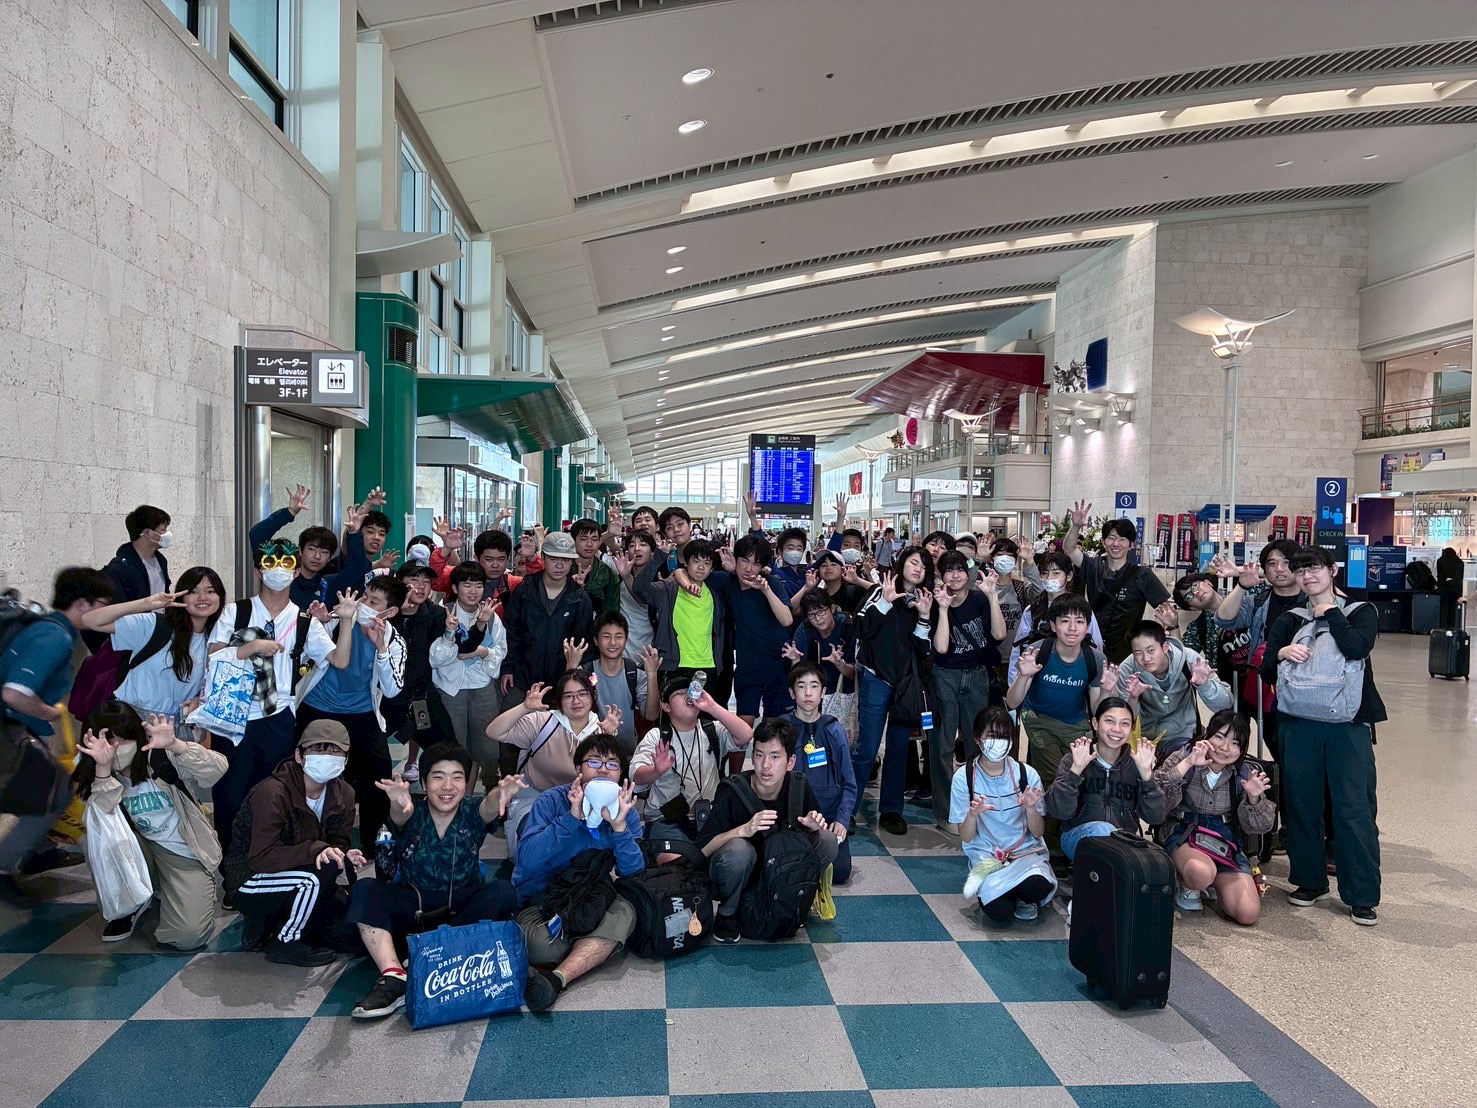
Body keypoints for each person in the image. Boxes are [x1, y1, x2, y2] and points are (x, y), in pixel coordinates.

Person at [345, 742, 522, 1019]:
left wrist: (502, 793)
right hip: (413, 907)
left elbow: (489, 806)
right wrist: (397, 803)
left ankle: (429, 957)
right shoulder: (412, 809)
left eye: (457, 777)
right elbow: (400, 814)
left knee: (503, 892)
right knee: (365, 889)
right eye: (438, 777)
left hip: (461, 910)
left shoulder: (471, 811)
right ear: (424, 782)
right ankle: (394, 975)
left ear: (467, 783)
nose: (447, 786)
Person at [1261, 546, 1384, 926]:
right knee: (1302, 804)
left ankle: (1361, 895)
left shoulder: (1360, 611)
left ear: (1332, 571)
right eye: (1300, 571)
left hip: (1348, 725)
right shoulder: (1289, 618)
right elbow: (1265, 669)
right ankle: (1309, 881)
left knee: (1354, 808)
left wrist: (1330, 612)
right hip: (1298, 723)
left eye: (1313, 568)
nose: (1307, 576)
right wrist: (1282, 652)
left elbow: (1357, 647)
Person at [207, 540, 335, 851]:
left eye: (286, 563)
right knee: (230, 792)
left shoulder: (302, 619)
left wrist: (344, 619)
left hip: (277, 715)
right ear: (258, 571)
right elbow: (213, 657)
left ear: (295, 572)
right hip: (234, 716)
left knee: (274, 792)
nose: (278, 570)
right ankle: (231, 860)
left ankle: (267, 856)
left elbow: (337, 660)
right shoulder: (236, 611)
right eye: (270, 563)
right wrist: (251, 647)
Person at [0, 567, 116, 899]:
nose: (106, 614)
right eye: (102, 605)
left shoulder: (45, 627)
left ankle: (34, 852)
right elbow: (14, 693)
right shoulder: (55, 637)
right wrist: (48, 712)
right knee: (57, 792)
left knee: (43, 788)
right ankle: (6, 866)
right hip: (8, 730)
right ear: (82, 604)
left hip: (14, 730)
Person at [73, 701, 227, 948]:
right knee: (95, 838)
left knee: (187, 937)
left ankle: (163, 889)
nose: (117, 748)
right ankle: (128, 906)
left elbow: (217, 769)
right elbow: (102, 820)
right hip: (136, 850)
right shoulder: (92, 770)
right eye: (109, 741)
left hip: (181, 851)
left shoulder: (160, 756)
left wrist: (176, 745)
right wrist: (103, 771)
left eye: (124, 739)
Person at [512, 733, 644, 1011]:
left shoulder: (624, 810)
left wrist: (619, 828)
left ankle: (557, 978)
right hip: (543, 898)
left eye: (612, 764)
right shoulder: (552, 801)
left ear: (620, 774)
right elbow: (528, 860)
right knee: (543, 948)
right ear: (578, 769)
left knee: (627, 911)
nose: (603, 770)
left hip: (589, 894)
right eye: (594, 762)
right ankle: (584, 950)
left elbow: (633, 871)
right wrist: (571, 818)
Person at [222, 720, 362, 966]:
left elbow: (337, 841)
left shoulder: (344, 793)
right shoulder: (272, 793)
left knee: (351, 937)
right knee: (314, 878)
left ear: (346, 759)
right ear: (299, 755)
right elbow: (260, 858)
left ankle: (275, 923)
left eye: (335, 751)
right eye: (318, 749)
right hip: (251, 878)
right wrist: (317, 850)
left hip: (302, 870)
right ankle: (285, 942)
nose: (327, 757)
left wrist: (343, 854)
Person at [698, 718, 839, 943]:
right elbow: (703, 849)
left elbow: (812, 838)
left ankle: (795, 897)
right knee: (738, 850)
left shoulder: (799, 785)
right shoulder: (733, 789)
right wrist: (742, 830)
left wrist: (813, 827)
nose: (765, 765)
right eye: (759, 755)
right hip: (740, 874)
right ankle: (728, 913)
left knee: (828, 840)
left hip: (777, 872)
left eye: (775, 757)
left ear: (790, 762)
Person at [295, 580, 407, 853]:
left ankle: (373, 845)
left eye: (374, 602)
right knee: (308, 772)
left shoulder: (393, 640)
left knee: (378, 777)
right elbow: (309, 651)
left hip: (362, 712)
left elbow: (392, 689)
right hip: (317, 707)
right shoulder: (338, 618)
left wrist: (381, 649)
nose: (364, 604)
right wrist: (320, 621)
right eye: (365, 597)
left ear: (390, 612)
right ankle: (309, 841)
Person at [1004, 593, 1111, 862]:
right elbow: (1012, 701)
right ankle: (1050, 845)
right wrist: (1024, 675)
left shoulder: (1094, 659)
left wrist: (1109, 690)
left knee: (1080, 780)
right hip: (1039, 720)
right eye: (1065, 621)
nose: (1072, 628)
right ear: (1053, 625)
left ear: (1088, 626)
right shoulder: (1038, 652)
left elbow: (1097, 709)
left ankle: (1073, 836)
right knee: (1054, 778)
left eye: (1079, 621)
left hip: (1077, 725)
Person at [487, 670, 622, 861]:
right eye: (568, 696)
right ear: (560, 700)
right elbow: (493, 732)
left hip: (581, 801)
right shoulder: (542, 722)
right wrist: (524, 707)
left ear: (592, 696)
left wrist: (609, 737)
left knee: (580, 852)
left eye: (582, 694)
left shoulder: (600, 730)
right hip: (535, 796)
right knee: (532, 847)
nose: (576, 701)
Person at [1155, 709, 1276, 923]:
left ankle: (1211, 881)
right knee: (1200, 871)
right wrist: (1187, 764)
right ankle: (1188, 884)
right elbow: (1155, 800)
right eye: (1219, 737)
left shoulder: (1243, 773)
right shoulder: (1185, 755)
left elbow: (1259, 828)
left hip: (1223, 839)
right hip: (1184, 830)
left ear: (1242, 749)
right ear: (1207, 735)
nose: (1225, 747)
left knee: (1247, 913)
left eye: (1235, 743)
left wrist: (1254, 798)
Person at [854, 546, 934, 836]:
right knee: (867, 749)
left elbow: (923, 650)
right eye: (913, 562)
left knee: (899, 749)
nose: (918, 569)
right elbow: (860, 629)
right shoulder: (880, 591)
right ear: (902, 565)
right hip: (876, 680)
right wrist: (885, 603)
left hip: (905, 687)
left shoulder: (923, 601)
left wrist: (924, 617)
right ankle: (847, 809)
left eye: (923, 565)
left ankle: (891, 810)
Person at [950, 707, 1056, 925]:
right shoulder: (964, 778)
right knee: (1000, 913)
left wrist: (1030, 808)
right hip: (987, 857)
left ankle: (1022, 894)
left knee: (1037, 887)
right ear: (978, 739)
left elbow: (1038, 832)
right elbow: (966, 837)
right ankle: (1007, 892)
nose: (998, 742)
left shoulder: (1026, 774)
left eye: (1004, 736)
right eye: (992, 735)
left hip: (1025, 853)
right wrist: (972, 815)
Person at [81, 567, 226, 724]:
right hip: (131, 721)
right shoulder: (153, 625)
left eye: (210, 591)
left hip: (175, 726)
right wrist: (146, 603)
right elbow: (89, 620)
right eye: (193, 592)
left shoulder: (218, 640)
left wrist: (199, 699)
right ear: (181, 596)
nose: (202, 597)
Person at [928, 552, 1006, 830]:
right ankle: (946, 812)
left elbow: (999, 635)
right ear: (941, 574)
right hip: (945, 676)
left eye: (960, 569)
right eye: (949, 570)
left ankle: (977, 806)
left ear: (968, 573)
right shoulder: (936, 601)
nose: (955, 575)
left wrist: (993, 596)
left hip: (976, 676)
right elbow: (940, 648)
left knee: (978, 744)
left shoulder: (979, 599)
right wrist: (943, 609)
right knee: (942, 745)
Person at [630, 676, 753, 842]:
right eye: (679, 693)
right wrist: (656, 771)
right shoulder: (657, 735)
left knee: (738, 851)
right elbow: (636, 776)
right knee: (677, 855)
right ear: (666, 707)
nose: (688, 696)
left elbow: (746, 735)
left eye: (690, 692)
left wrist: (712, 706)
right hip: (665, 819)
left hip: (710, 815)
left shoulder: (711, 729)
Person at [1046, 697, 1167, 862]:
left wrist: (1147, 775)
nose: (1117, 729)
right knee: (1103, 830)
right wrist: (1076, 771)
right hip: (1078, 838)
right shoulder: (1074, 758)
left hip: (1123, 843)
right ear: (1095, 723)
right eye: (1109, 721)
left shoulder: (1136, 763)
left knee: (1157, 860)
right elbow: (1059, 811)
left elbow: (1156, 817)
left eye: (1125, 723)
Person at [1063, 500, 1174, 664]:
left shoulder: (1142, 575)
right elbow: (1069, 549)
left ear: (1131, 545)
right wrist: (1076, 526)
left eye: (1122, 539)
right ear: (1103, 542)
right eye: (1111, 538)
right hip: (1091, 645)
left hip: (1127, 651)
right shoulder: (1093, 567)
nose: (1116, 544)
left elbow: (1166, 610)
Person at [704, 535, 795, 725]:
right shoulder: (726, 581)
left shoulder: (771, 582)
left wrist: (765, 590)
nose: (748, 568)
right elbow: (691, 572)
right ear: (735, 559)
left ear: (762, 567)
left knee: (773, 729)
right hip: (747, 667)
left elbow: (787, 620)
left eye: (755, 564)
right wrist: (730, 571)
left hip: (778, 665)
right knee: (742, 730)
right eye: (744, 561)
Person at [429, 565, 506, 786]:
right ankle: (455, 791)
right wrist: (449, 635)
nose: (473, 591)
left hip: (482, 687)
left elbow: (501, 649)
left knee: (488, 744)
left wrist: (482, 652)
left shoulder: (490, 616)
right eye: (467, 585)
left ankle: (491, 787)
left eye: (478, 585)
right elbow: (435, 659)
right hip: (450, 688)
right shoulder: (442, 613)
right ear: (455, 588)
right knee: (453, 746)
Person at [779, 663, 856, 882]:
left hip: (828, 818)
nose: (808, 693)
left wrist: (842, 820)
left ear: (823, 693)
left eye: (814, 686)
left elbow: (849, 782)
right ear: (792, 693)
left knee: (840, 872)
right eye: (801, 686)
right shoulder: (781, 728)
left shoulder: (834, 729)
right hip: (790, 817)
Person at [498, 531, 594, 704]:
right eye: (554, 558)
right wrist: (508, 667)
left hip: (561, 685)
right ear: (543, 557)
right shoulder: (525, 590)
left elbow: (583, 643)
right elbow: (510, 631)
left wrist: (575, 679)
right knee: (509, 717)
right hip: (522, 679)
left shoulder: (579, 599)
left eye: (566, 560)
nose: (560, 565)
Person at [380, 562, 455, 781]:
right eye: (414, 579)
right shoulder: (384, 614)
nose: (421, 586)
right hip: (384, 697)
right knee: (371, 751)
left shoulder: (437, 615)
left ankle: (441, 793)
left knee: (447, 751)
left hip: (420, 697)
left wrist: (466, 630)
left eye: (426, 581)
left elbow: (461, 646)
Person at [1118, 620, 1233, 759]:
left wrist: (1205, 685)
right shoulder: (1128, 670)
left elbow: (1225, 705)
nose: (1146, 658)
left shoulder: (1190, 659)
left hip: (1187, 735)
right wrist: (1133, 698)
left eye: (1151, 650)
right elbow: (1124, 720)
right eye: (1138, 653)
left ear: (1165, 647)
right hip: (1145, 741)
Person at [624, 538, 726, 679]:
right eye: (696, 561)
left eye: (707, 563)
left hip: (707, 666)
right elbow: (640, 588)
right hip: (674, 666)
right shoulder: (668, 589)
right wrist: (658, 556)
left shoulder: (715, 595)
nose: (701, 567)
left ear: (712, 568)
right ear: (686, 562)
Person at [569, 613, 661, 758]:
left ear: (626, 640)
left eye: (619, 637)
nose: (613, 642)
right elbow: (568, 709)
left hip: (628, 755)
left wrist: (652, 674)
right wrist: (571, 669)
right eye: (606, 636)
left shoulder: (635, 674)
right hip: (590, 755)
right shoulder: (585, 672)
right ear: (596, 640)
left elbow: (651, 715)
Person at [1009, 551, 1102, 684]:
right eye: (1045, 573)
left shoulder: (1080, 608)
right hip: (1039, 677)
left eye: (1056, 573)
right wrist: (1014, 681)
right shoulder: (1033, 610)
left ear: (1069, 576)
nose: (1049, 578)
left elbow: (1096, 644)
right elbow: (1018, 647)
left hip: (1075, 677)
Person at [246, 485, 342, 610]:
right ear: (300, 550)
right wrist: (289, 512)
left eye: (324, 552)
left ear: (330, 557)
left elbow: (356, 570)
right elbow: (257, 535)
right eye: (312, 549)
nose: (317, 556)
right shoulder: (280, 574)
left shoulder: (327, 586)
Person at [783, 591, 858, 700]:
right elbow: (797, 678)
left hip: (843, 694)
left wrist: (839, 663)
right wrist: (795, 660)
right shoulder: (805, 628)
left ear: (832, 609)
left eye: (821, 611)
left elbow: (853, 674)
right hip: (815, 691)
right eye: (811, 615)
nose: (818, 619)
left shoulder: (847, 626)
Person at [103, 505, 173, 603]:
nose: (167, 534)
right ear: (147, 533)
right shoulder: (120, 567)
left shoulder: (161, 560)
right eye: (163, 530)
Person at [609, 528, 658, 660]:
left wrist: (626, 576)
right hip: (619, 650)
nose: (637, 549)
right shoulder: (617, 574)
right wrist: (610, 531)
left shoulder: (658, 579)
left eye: (643, 544)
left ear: (652, 551)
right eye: (631, 545)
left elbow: (642, 597)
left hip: (648, 651)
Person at [571, 518, 621, 615]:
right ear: (573, 541)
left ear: (599, 542)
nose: (589, 544)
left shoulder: (608, 575)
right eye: (583, 539)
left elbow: (612, 614)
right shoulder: (563, 570)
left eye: (594, 539)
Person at [1436, 546, 1465, 629]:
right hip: (1456, 589)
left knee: (1444, 608)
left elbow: (1439, 575)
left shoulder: (1440, 560)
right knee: (1453, 608)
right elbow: (1461, 577)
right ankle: (1453, 626)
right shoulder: (1460, 562)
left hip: (1444, 588)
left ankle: (1443, 626)